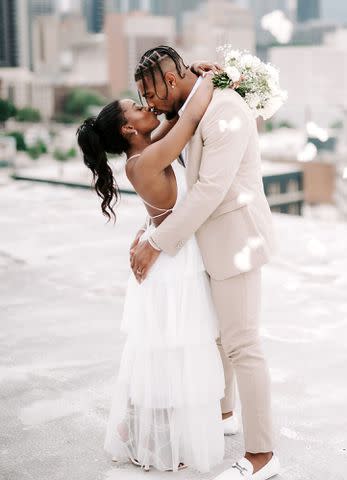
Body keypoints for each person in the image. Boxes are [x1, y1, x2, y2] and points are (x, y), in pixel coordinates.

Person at [130, 45, 281, 480]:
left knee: (243, 346)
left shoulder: (225, 110)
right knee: (219, 340)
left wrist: (157, 242)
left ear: (173, 83)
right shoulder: (195, 103)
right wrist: (149, 229)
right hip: (209, 245)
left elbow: (208, 192)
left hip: (237, 242)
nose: (148, 106)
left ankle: (263, 455)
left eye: (151, 95)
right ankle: (226, 413)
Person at [76, 68, 226, 473]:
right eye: (137, 107)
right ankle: (148, 435)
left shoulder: (147, 149)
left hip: (173, 255)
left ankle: (148, 431)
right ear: (128, 130)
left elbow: (177, 117)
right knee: (170, 355)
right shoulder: (145, 158)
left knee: (170, 353)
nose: (146, 107)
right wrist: (213, 78)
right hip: (173, 266)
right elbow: (190, 118)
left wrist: (190, 79)